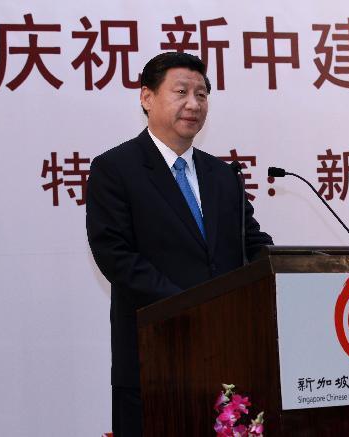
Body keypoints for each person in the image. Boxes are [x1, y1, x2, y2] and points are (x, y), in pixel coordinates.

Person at [86, 52, 273, 437]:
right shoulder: (115, 168)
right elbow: (115, 255)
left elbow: (251, 242)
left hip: (227, 357)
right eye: (182, 92)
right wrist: (189, 308)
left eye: (202, 94)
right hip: (154, 354)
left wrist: (291, 267)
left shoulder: (222, 174)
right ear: (147, 97)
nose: (194, 104)